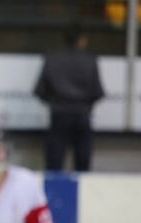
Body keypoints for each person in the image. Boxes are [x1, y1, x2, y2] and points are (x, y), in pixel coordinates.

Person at [34, 25, 104, 172]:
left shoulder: (52, 58)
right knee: (82, 168)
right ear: (82, 40)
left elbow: (39, 91)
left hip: (59, 116)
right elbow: (97, 92)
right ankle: (85, 194)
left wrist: (56, 102)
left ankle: (53, 195)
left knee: (54, 165)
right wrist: (84, 105)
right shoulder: (90, 60)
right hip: (82, 116)